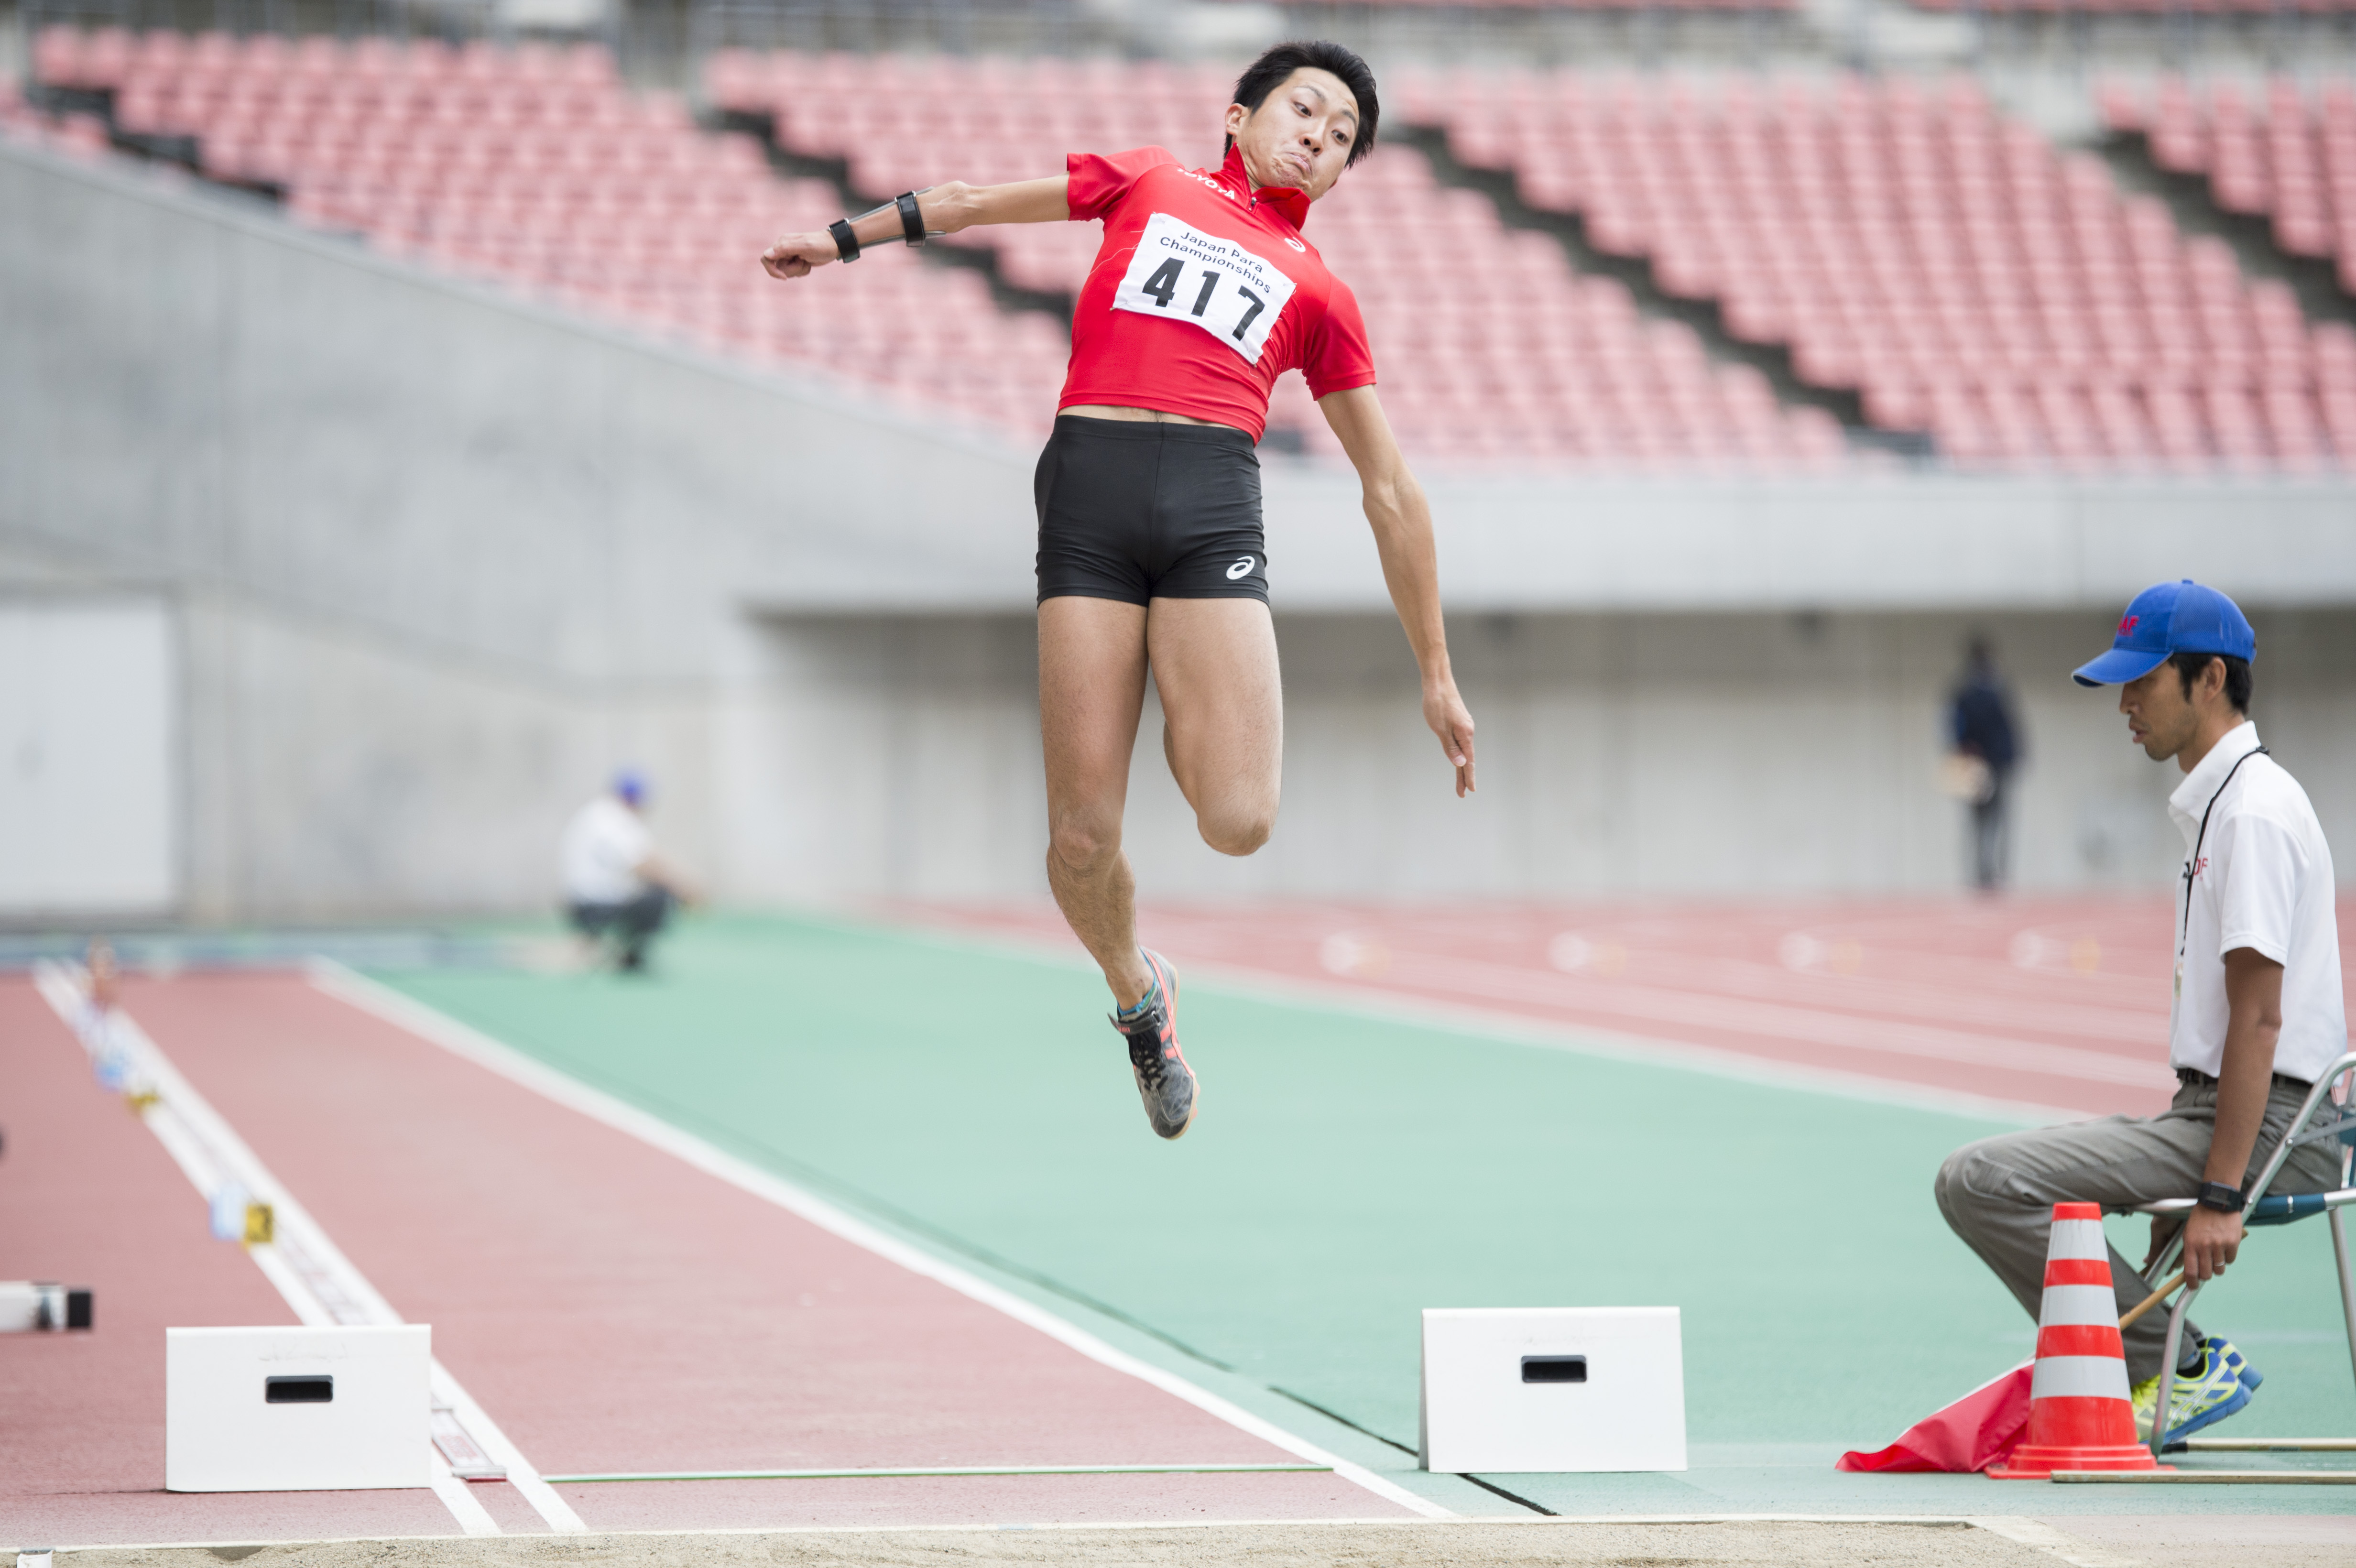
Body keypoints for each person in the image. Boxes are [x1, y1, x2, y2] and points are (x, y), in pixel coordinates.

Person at [760, 41, 1477, 1140]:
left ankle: (1188, 703)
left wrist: (1436, 671)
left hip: (1210, 506)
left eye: (1341, 140)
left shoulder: (1321, 293)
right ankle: (1142, 998)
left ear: (1340, 179)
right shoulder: (1149, 180)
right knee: (1081, 842)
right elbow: (967, 201)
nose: (1319, 138)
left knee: (1238, 819)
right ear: (1238, 117)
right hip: (1090, 496)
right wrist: (845, 238)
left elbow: (1391, 489)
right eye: (1305, 111)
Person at [1935, 580, 2345, 1446]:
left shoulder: (2254, 813)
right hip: (2225, 1113)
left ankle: (2176, 1367)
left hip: (2271, 1129)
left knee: (1977, 1181)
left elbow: (2260, 1023)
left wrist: (2219, 1194)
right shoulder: (2224, 806)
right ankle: (2163, 1362)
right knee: (1993, 1179)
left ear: (2207, 681)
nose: (2123, 703)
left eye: (2141, 682)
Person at [561, 771, 699, 972]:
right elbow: (644, 865)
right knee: (658, 898)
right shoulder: (613, 819)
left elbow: (647, 857)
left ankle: (601, 945)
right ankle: (627, 954)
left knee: (653, 891)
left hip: (584, 901)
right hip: (595, 905)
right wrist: (685, 889)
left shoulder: (599, 814)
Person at [1947, 635, 2023, 890]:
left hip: (1989, 761)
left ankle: (1992, 873)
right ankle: (1987, 874)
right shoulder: (1975, 691)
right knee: (1986, 820)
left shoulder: (1986, 688)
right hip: (1982, 762)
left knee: (1990, 820)